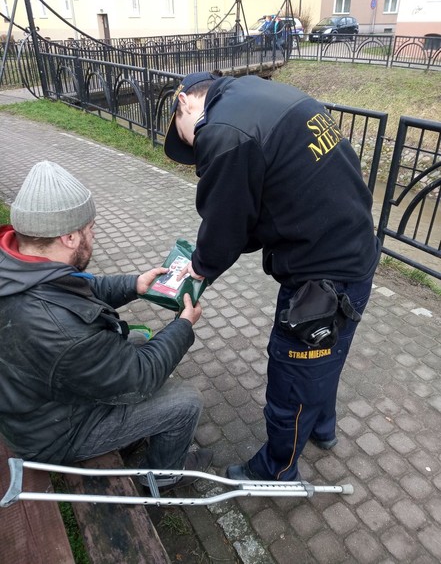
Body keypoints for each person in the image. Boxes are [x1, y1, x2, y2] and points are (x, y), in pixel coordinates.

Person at [163, 71, 381, 482]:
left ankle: (275, 471)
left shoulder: (225, 131)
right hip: (356, 253)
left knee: (292, 379)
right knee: (328, 355)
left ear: (186, 104)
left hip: (321, 278)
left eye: (188, 138)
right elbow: (258, 204)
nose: (197, 149)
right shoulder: (256, 93)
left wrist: (202, 265)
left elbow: (226, 221)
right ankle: (323, 428)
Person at [0, 160, 212, 491]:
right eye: (91, 228)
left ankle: (134, 437)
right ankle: (166, 476)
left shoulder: (19, 267)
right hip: (57, 433)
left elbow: (78, 291)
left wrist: (134, 285)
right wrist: (184, 326)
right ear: (69, 237)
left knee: (139, 340)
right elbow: (140, 377)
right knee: (185, 401)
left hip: (33, 407)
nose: (94, 235)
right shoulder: (62, 330)